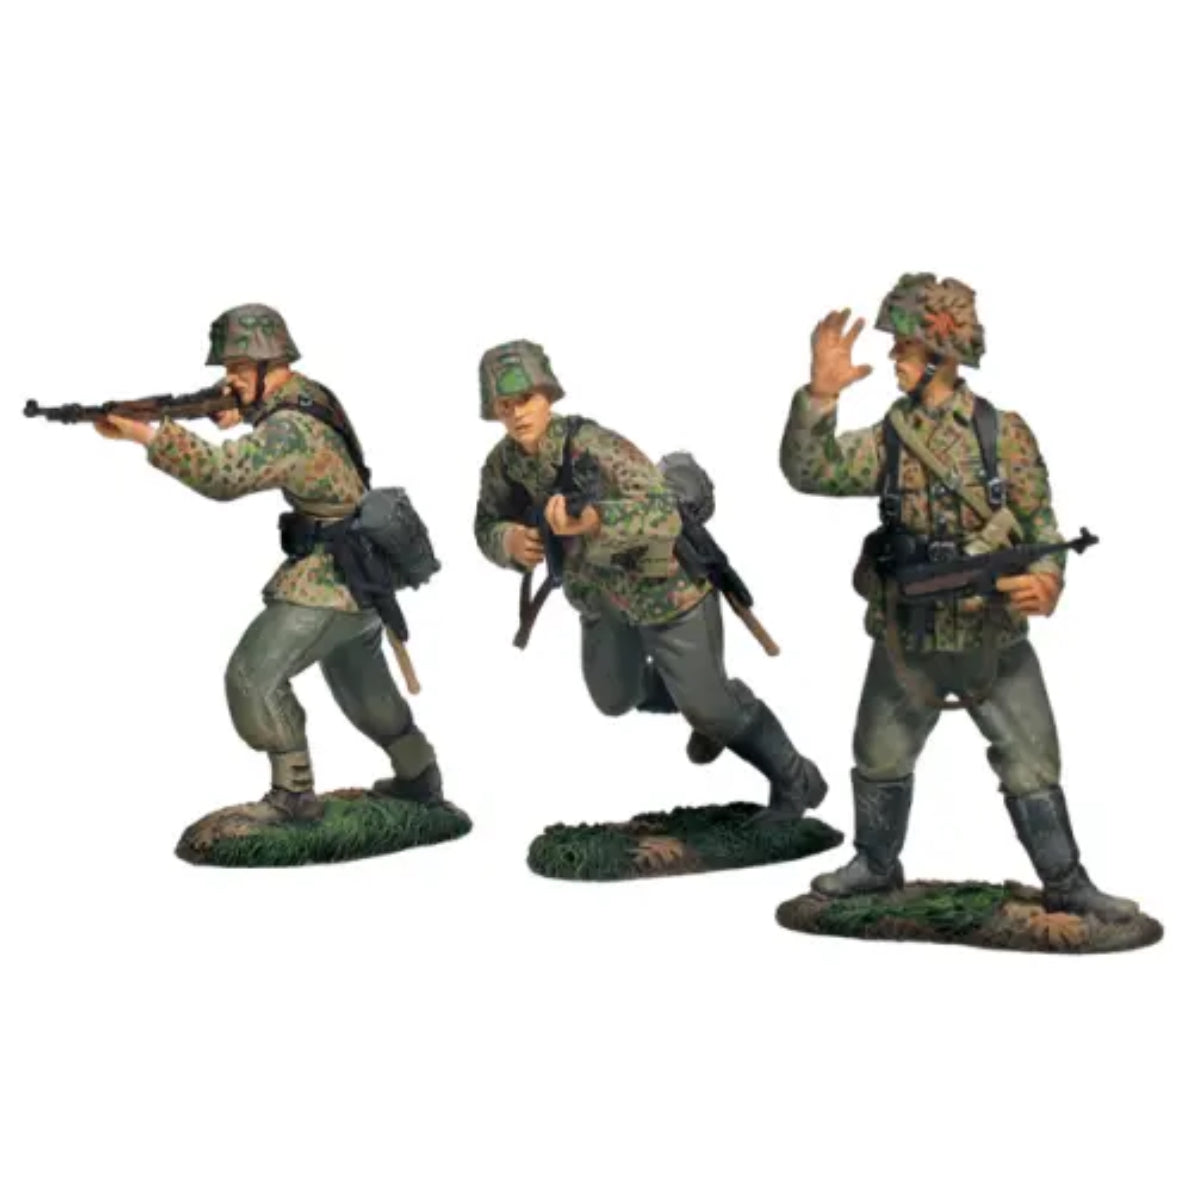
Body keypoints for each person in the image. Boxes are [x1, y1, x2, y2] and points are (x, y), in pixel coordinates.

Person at [778, 274, 1136, 919]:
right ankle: (876, 865)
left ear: (942, 356)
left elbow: (1042, 528)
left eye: (906, 346)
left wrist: (1048, 579)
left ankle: (1065, 880)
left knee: (1032, 760)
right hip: (907, 632)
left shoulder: (1003, 434)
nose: (894, 357)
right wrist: (820, 396)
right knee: (878, 753)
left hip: (990, 633)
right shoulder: (890, 438)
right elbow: (810, 471)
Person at [95, 303, 443, 820]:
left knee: (253, 677)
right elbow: (283, 429)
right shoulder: (309, 395)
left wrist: (150, 435)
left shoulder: (291, 429)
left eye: (238, 369)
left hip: (328, 581)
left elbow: (223, 475)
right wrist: (241, 410)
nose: (230, 380)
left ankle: (293, 795)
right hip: (363, 580)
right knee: (363, 689)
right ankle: (419, 774)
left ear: (268, 365)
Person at [474, 338, 825, 818]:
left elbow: (664, 514)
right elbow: (486, 523)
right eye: (504, 405)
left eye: (526, 399)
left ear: (548, 396)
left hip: (666, 593)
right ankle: (703, 700)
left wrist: (595, 521)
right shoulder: (502, 465)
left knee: (711, 708)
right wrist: (509, 541)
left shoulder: (595, 446)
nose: (517, 414)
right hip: (599, 601)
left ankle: (795, 779)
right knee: (614, 697)